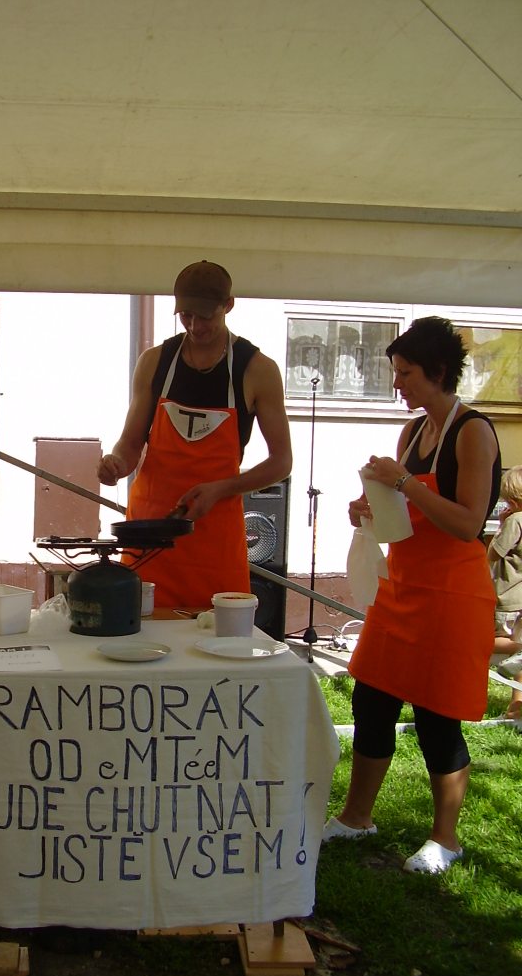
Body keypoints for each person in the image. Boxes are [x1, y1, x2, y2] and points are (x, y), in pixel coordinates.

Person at [322, 316, 501, 874]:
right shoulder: (412, 433)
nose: (397, 383)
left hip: (452, 596)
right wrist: (367, 510)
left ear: (438, 372)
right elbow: (402, 521)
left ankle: (446, 838)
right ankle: (357, 816)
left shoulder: (473, 431)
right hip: (402, 589)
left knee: (436, 716)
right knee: (371, 698)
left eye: (405, 373)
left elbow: (468, 524)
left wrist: (401, 482)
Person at [97, 260, 292, 608]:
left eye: (205, 316)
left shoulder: (257, 370)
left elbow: (282, 462)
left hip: (215, 537)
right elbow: (130, 444)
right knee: (142, 626)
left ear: (228, 305)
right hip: (150, 534)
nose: (195, 326)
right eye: (186, 315)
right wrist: (116, 464)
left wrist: (221, 488)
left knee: (219, 631)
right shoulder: (155, 362)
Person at [487, 465, 522, 718]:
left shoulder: (514, 521)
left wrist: (501, 526)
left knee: (491, 641)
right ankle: (516, 707)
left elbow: (493, 553)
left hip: (508, 598)